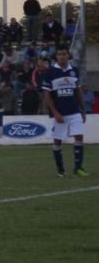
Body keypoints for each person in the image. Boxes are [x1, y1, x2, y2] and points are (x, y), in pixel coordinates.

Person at [40, 46, 87, 178]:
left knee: (79, 137)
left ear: (68, 56)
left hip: (74, 110)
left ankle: (78, 168)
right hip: (60, 113)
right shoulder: (50, 72)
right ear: (56, 57)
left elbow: (78, 91)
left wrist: (83, 110)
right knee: (57, 141)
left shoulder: (74, 70)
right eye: (59, 54)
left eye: (64, 54)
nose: (62, 56)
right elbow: (47, 94)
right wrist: (55, 112)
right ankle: (60, 169)